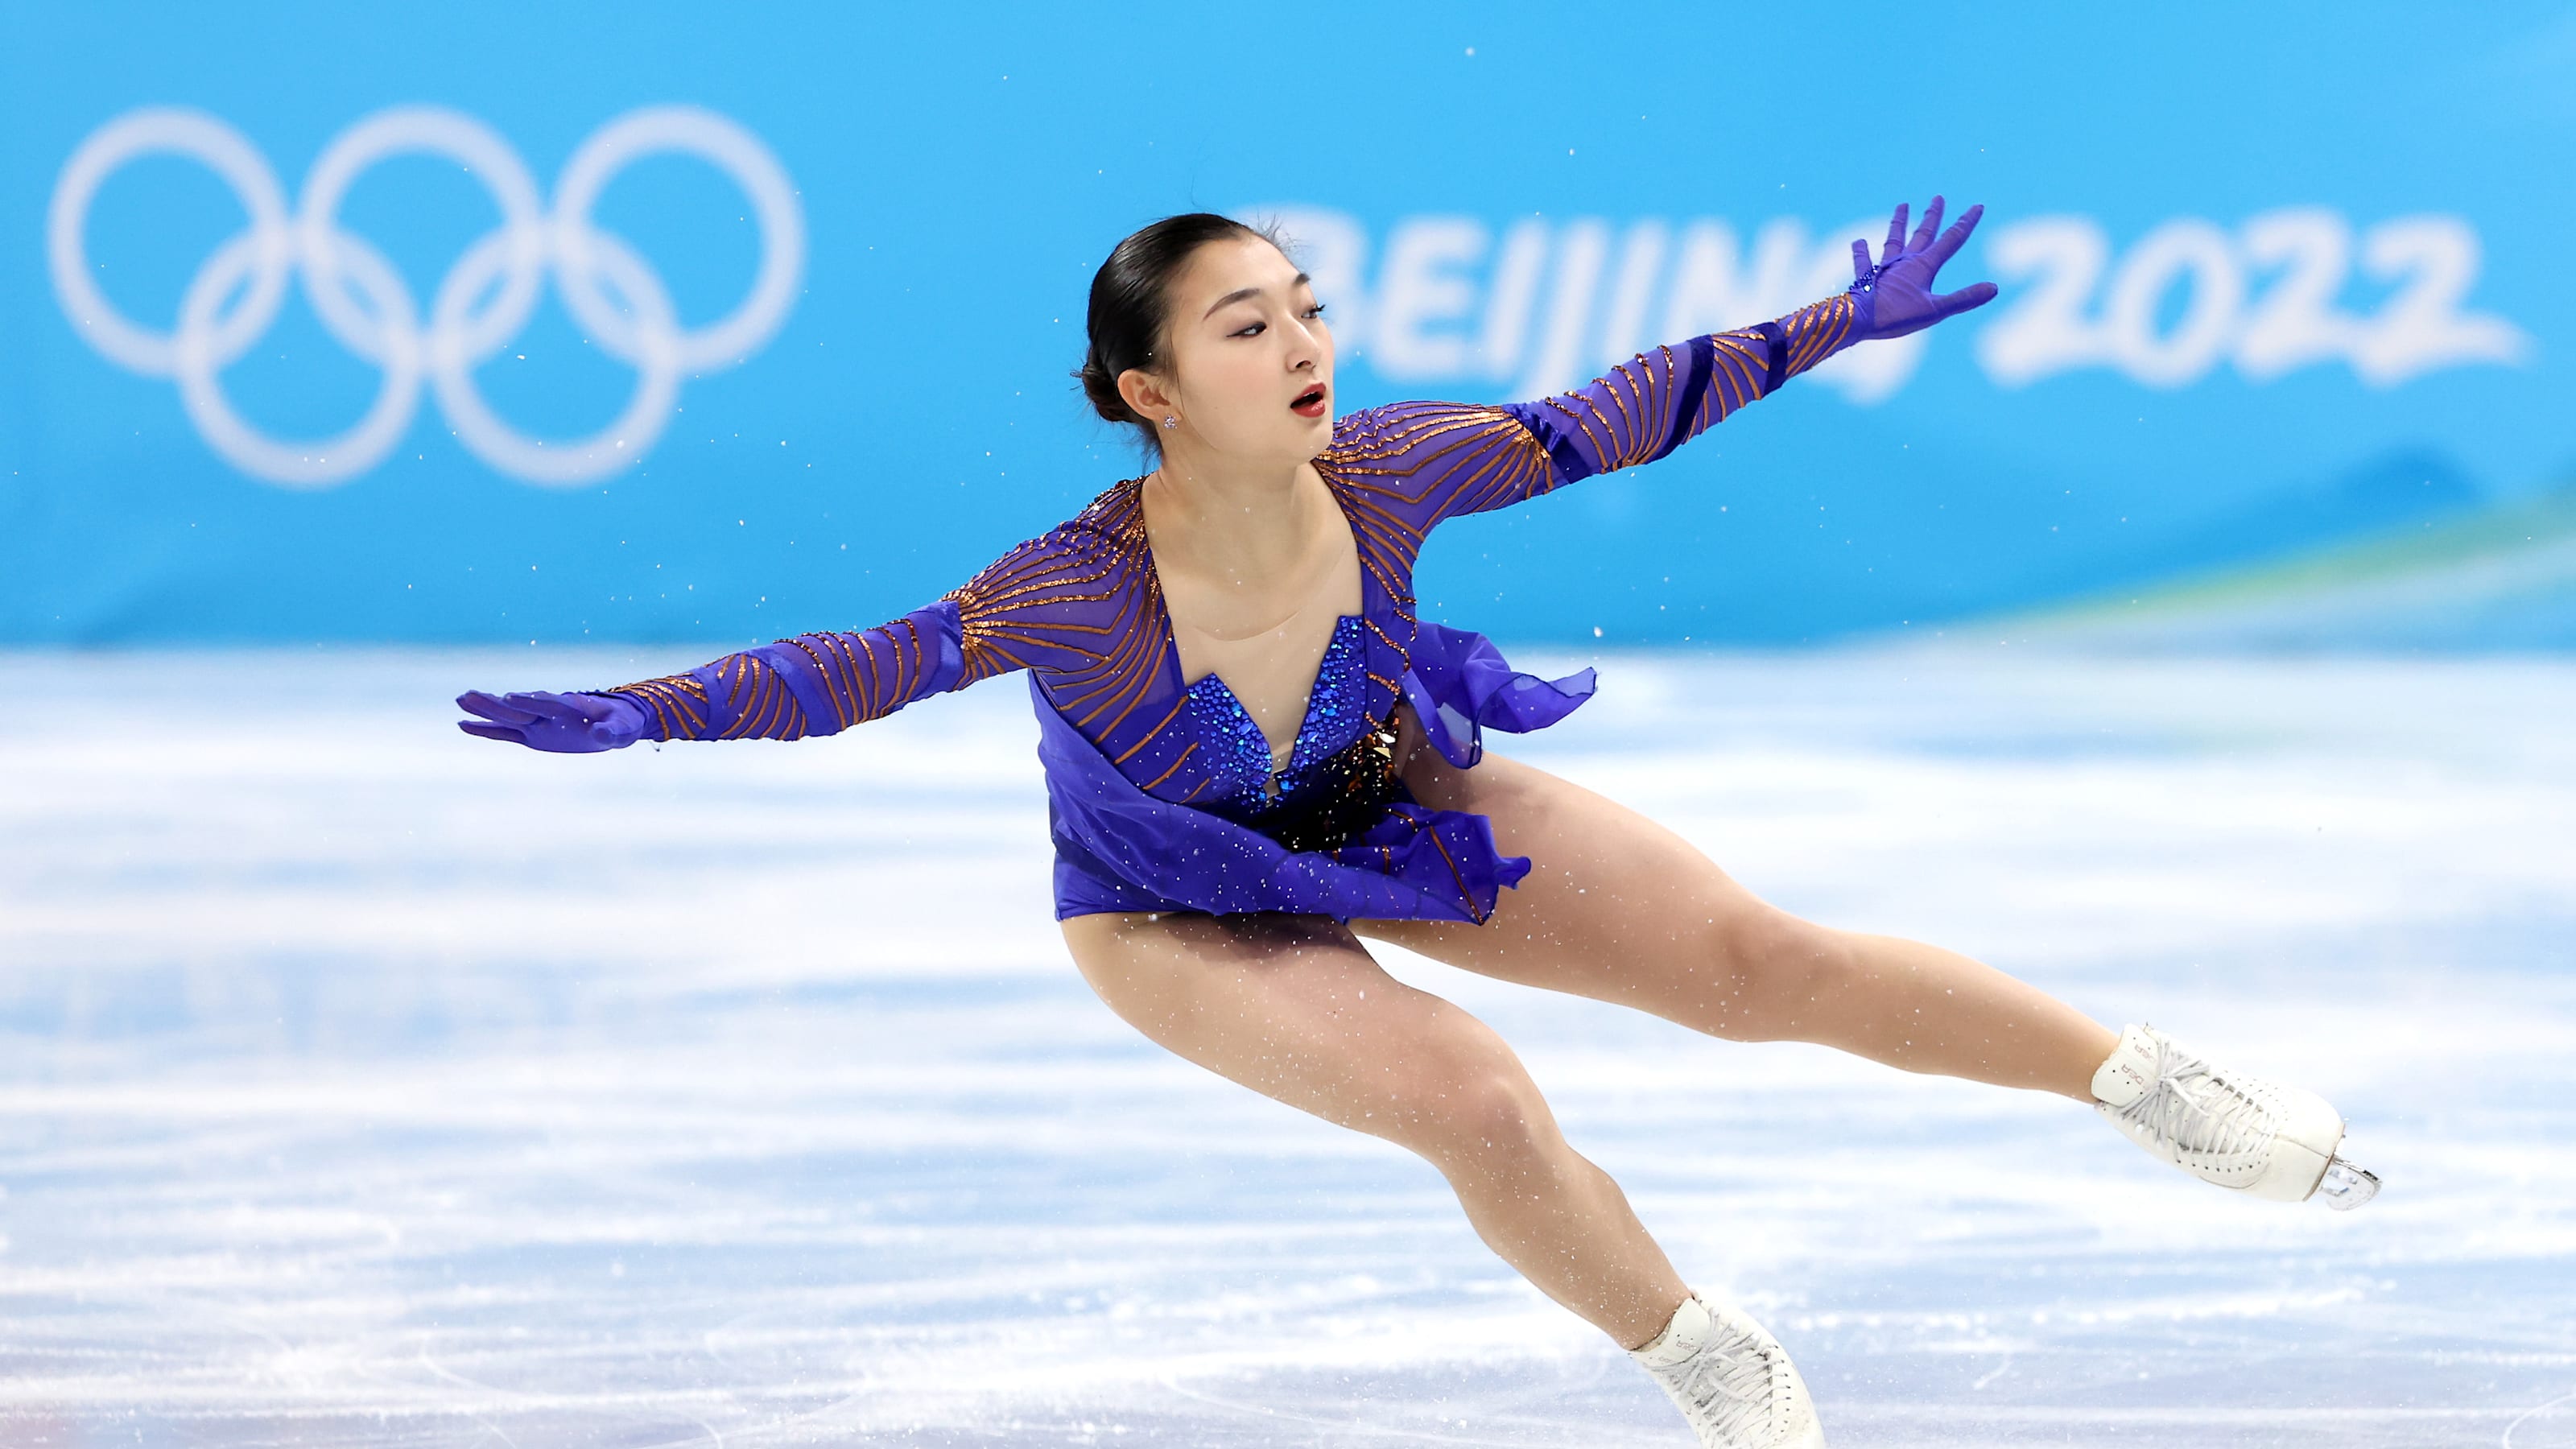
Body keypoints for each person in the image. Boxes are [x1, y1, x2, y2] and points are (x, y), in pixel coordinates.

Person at [456, 198, 2378, 1449]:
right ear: (1147, 390)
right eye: (1241, 326)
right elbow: (854, 666)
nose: (1299, 344)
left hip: (1392, 794)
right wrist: (637, 712)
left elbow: (1618, 409)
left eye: (1304, 309)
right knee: (1474, 1103)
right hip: (1176, 908)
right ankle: (1704, 1360)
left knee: (1746, 963)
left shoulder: (1386, 472)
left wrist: (1831, 322)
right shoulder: (1070, 588)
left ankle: (2138, 1083)